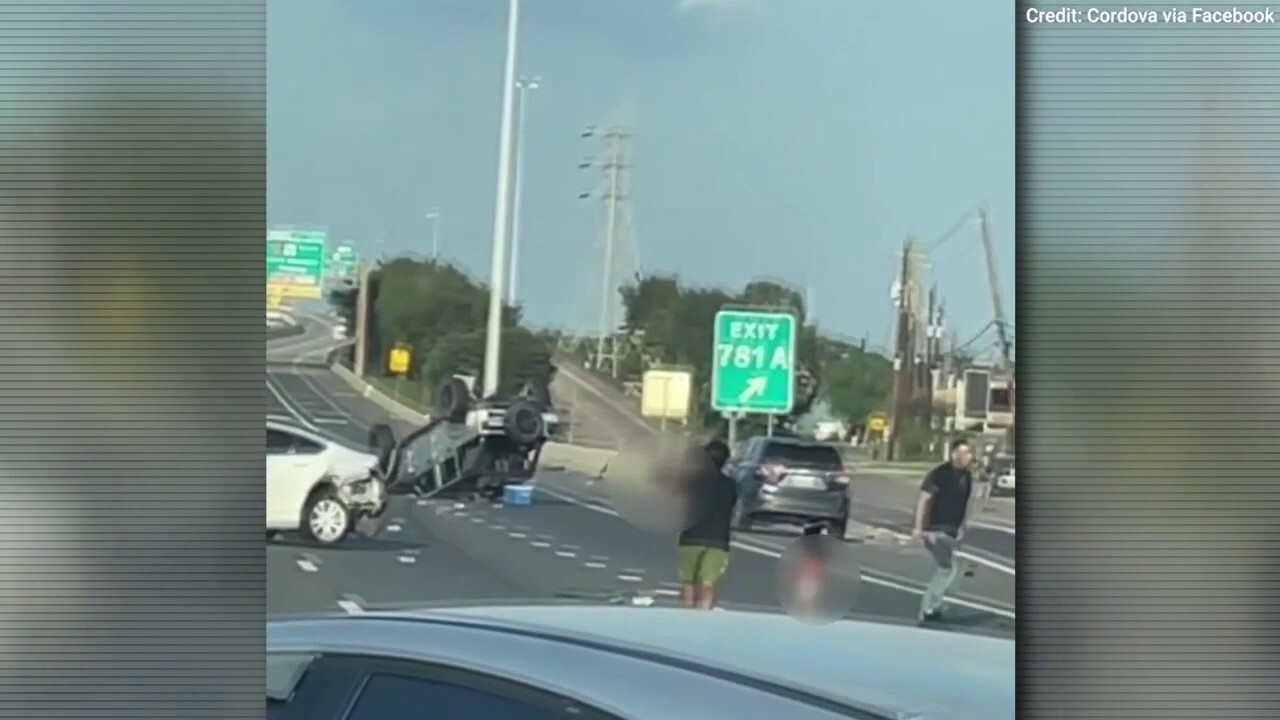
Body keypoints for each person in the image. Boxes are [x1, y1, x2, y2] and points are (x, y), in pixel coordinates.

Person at [912, 437, 975, 623]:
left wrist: (962, 526)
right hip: (934, 529)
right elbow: (923, 499)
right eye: (961, 452)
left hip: (951, 530)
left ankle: (933, 607)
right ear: (953, 453)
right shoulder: (940, 474)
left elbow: (963, 503)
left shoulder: (967, 477)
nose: (964, 456)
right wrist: (918, 528)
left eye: (968, 453)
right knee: (946, 569)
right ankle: (927, 610)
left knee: (947, 568)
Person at [676, 439, 738, 610]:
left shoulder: (692, 482)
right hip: (718, 541)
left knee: (689, 582)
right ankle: (704, 616)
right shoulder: (731, 486)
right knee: (708, 583)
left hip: (691, 538)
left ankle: (686, 616)